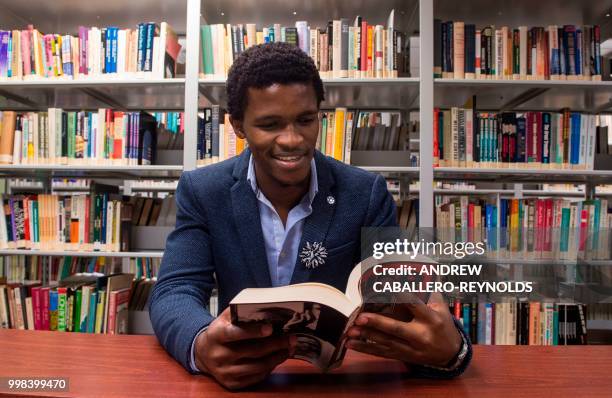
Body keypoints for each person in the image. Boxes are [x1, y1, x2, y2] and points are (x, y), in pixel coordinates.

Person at [149, 42, 471, 390]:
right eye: (270, 124)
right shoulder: (203, 190)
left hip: (334, 383)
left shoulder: (365, 193)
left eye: (305, 120)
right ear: (238, 126)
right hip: (246, 382)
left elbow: (404, 298)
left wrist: (451, 351)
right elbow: (175, 289)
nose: (292, 140)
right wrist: (201, 343)